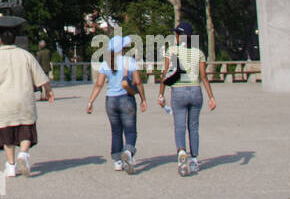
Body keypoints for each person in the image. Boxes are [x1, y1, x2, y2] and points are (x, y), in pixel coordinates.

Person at [0, 28, 53, 178]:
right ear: (15, 41)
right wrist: (48, 90)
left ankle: (11, 165)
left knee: (6, 134)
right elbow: (41, 77)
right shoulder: (26, 56)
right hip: (23, 99)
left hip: (2, 102)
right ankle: (23, 154)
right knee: (25, 129)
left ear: (0, 41)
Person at [158, 21, 216, 175]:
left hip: (178, 91)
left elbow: (166, 73)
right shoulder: (199, 52)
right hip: (195, 90)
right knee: (194, 127)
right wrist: (211, 97)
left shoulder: (171, 51)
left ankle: (182, 152)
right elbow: (204, 76)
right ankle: (195, 160)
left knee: (179, 126)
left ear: (180, 36)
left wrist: (161, 94)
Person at [86, 35, 146, 173]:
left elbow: (99, 84)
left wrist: (90, 102)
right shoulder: (129, 61)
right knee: (130, 130)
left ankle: (117, 161)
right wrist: (143, 99)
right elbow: (137, 81)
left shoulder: (106, 63)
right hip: (126, 99)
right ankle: (129, 152)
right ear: (123, 48)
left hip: (111, 100)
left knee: (116, 131)